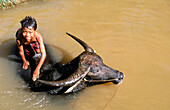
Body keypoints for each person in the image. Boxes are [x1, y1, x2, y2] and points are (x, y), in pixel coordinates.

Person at [16, 16, 46, 81]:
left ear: (35, 31)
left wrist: (37, 69)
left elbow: (43, 54)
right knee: (27, 53)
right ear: (22, 30)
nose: (27, 35)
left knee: (38, 52)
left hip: (33, 41)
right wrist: (24, 61)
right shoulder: (20, 39)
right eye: (24, 32)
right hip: (24, 43)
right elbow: (21, 51)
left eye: (30, 32)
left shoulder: (38, 37)